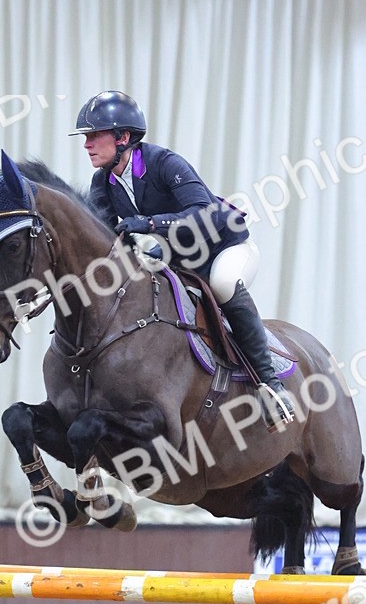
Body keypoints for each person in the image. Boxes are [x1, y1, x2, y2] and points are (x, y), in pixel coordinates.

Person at [71, 90, 295, 431]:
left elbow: (205, 213)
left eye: (94, 135)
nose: (87, 144)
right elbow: (109, 238)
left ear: (123, 137)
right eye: (86, 137)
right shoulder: (103, 181)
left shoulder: (165, 163)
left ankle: (270, 384)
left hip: (223, 247)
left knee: (222, 285)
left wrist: (149, 224)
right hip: (177, 255)